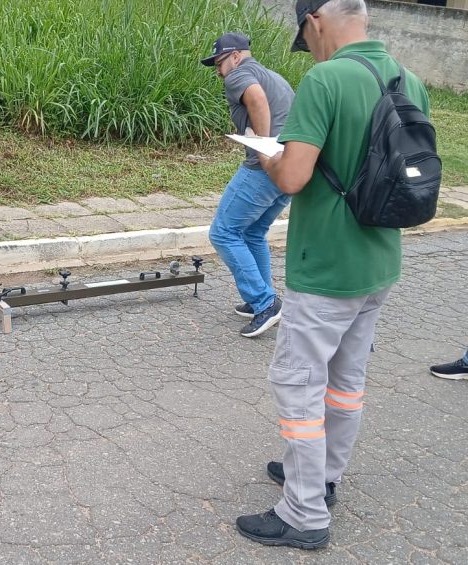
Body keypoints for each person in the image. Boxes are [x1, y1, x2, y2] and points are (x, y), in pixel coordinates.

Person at [234, 0, 431, 549]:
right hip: (379, 261)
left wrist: (267, 154)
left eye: (306, 37)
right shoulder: (408, 79)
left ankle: (304, 514)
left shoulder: (326, 80)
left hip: (326, 267)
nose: (310, 49)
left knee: (298, 384)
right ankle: (323, 479)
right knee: (345, 383)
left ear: (315, 20)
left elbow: (292, 177)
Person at [201, 32, 294, 338]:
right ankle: (261, 299)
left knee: (223, 232)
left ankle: (265, 303)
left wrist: (262, 147)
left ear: (236, 56)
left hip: (263, 170)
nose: (218, 71)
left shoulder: (239, 75)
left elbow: (256, 98)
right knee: (253, 232)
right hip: (287, 168)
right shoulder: (275, 77)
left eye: (219, 63)